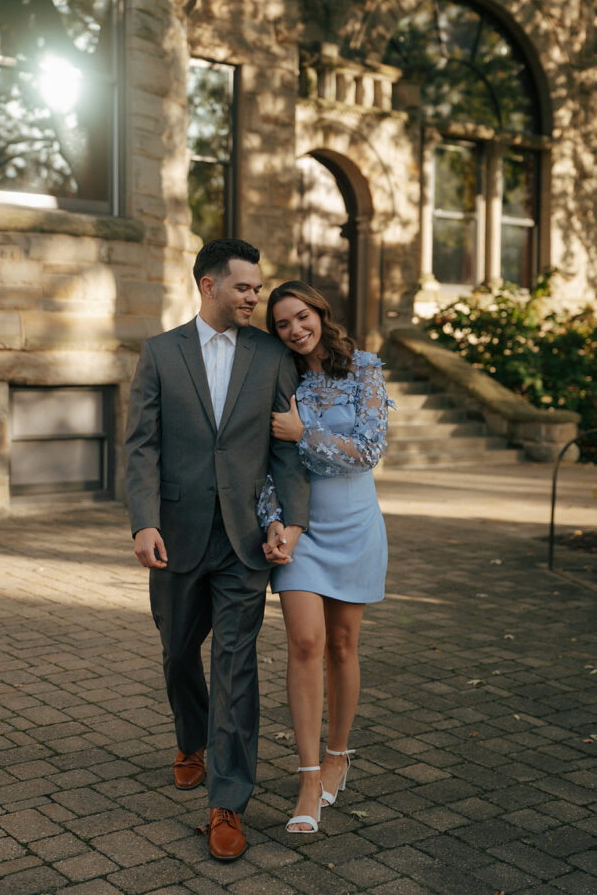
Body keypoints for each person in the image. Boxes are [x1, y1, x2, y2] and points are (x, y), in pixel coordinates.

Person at [124, 239, 310, 861]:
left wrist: (292, 521)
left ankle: (227, 801)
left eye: (258, 288)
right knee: (178, 652)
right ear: (209, 286)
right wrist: (143, 522)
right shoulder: (160, 353)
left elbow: (285, 447)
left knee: (235, 665)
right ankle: (189, 738)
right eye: (245, 288)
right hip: (175, 534)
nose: (256, 297)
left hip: (243, 539)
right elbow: (141, 445)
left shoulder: (271, 353)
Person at [258, 280, 392, 834]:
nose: (294, 330)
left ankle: (339, 754)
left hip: (357, 525)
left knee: (342, 644)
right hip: (300, 528)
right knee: (305, 642)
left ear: (319, 312)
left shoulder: (364, 368)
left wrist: (302, 431)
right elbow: (266, 461)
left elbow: (368, 450)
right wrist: (272, 520)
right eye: (283, 324)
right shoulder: (276, 376)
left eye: (301, 317)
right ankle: (309, 777)